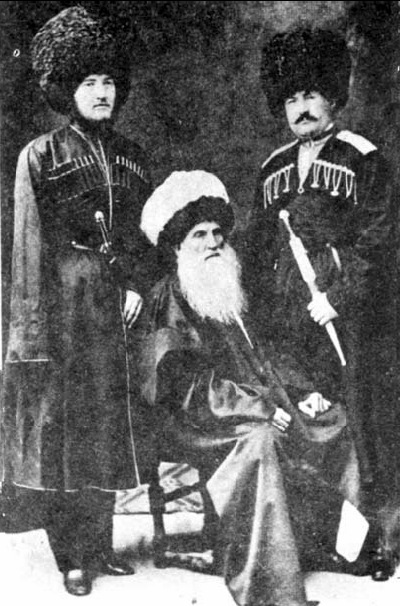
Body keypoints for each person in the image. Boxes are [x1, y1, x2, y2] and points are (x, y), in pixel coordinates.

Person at [139, 170, 374, 606]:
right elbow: (184, 385)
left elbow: (267, 353)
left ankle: (334, 545)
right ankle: (272, 589)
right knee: (261, 440)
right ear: (176, 246)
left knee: (330, 418)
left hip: (249, 404)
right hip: (199, 418)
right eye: (199, 235)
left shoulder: (228, 287)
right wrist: (261, 408)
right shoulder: (170, 296)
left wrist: (303, 391)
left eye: (217, 234)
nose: (213, 243)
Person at [1, 6, 156, 596]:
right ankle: (71, 555)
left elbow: (146, 237)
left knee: (107, 424)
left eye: (108, 81)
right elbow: (28, 247)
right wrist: (32, 333)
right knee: (66, 432)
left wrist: (136, 285)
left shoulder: (133, 155)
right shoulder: (40, 155)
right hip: (64, 307)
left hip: (116, 306)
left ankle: (101, 546)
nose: (100, 92)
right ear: (66, 88)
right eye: (88, 82)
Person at [243, 28, 396, 569]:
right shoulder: (273, 168)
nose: (301, 109)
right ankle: (319, 538)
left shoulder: (363, 159)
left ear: (332, 97)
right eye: (290, 99)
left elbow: (380, 243)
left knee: (365, 422)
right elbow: (258, 251)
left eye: (310, 95)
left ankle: (383, 540)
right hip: (292, 325)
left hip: (352, 321)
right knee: (309, 420)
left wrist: (339, 297)